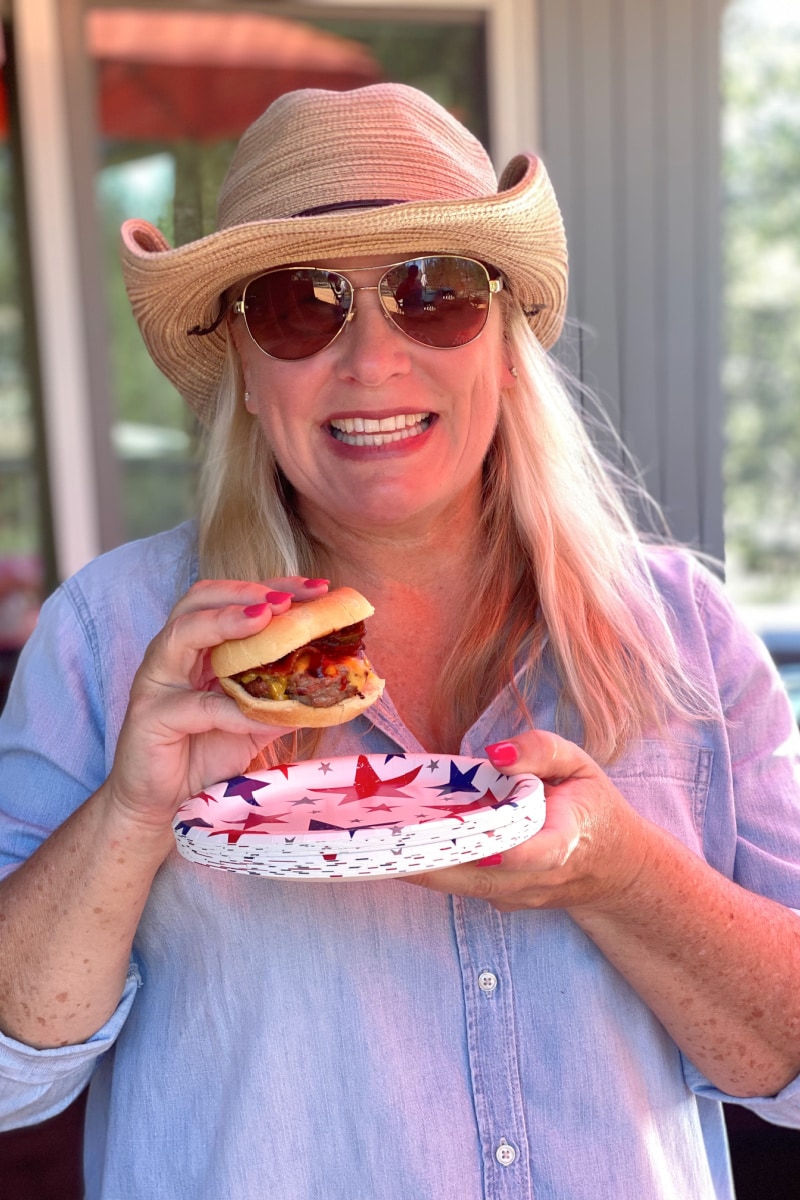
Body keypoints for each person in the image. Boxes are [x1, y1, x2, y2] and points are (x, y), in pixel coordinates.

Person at [0, 83, 798, 1200]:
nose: (371, 360)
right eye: (298, 304)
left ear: (508, 341)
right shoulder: (112, 636)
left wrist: (617, 876)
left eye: (434, 294)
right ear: (242, 361)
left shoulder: (684, 636)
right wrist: (130, 814)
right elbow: (10, 1085)